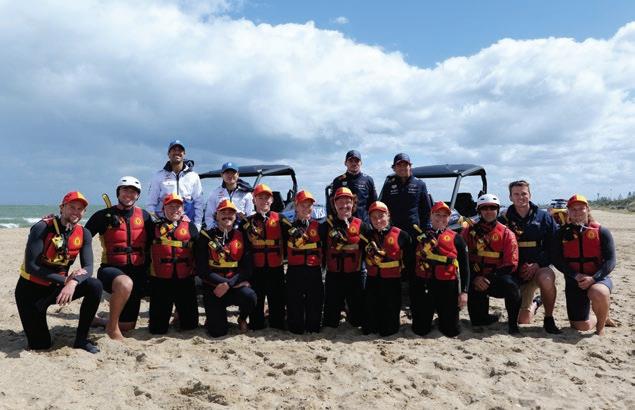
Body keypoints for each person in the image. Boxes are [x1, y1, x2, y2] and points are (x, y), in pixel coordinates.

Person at [15, 192, 102, 353]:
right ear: (62, 208)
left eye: (80, 209)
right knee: (41, 345)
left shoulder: (84, 233)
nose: (76, 212)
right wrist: (65, 281)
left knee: (94, 285)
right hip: (31, 291)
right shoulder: (42, 227)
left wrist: (73, 282)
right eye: (71, 207)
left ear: (84, 212)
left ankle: (81, 340)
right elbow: (31, 266)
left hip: (58, 289)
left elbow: (89, 267)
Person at [85, 176, 153, 340]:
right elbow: (82, 237)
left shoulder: (145, 216)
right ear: (118, 192)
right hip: (111, 270)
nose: (129, 194)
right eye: (125, 190)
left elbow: (154, 244)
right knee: (124, 283)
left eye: (133, 191)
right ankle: (112, 329)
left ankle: (100, 321)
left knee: (128, 326)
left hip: (136, 273)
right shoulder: (103, 216)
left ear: (138, 195)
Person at [499, 180, 561, 334]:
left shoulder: (544, 217)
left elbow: (554, 247)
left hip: (538, 269)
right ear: (510, 197)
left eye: (524, 193)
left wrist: (538, 264)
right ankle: (536, 303)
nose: (520, 197)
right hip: (515, 272)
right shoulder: (503, 219)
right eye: (516, 194)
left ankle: (549, 319)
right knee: (523, 320)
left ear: (530, 195)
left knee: (547, 278)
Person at [552, 194, 616, 336]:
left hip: (598, 279)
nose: (577, 212)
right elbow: (557, 260)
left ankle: (600, 328)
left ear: (588, 209)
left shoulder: (601, 231)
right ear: (568, 212)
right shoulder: (561, 234)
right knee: (581, 326)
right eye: (573, 209)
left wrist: (593, 278)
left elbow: (611, 261)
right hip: (574, 281)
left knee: (598, 292)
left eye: (581, 208)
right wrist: (575, 275)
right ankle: (602, 316)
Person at [462, 194, 521, 334]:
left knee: (513, 287)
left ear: (497, 210)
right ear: (479, 211)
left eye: (492, 208)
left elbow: (511, 264)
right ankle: (483, 318)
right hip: (475, 280)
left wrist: (488, 278)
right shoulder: (468, 232)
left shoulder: (507, 233)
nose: (489, 211)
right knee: (478, 322)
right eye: (484, 208)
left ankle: (513, 324)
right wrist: (475, 277)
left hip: (496, 279)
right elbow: (462, 259)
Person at [196, 199, 256, 337]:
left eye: (231, 213)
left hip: (234, 285)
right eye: (223, 213)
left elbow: (247, 269)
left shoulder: (242, 237)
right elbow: (202, 270)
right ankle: (213, 317)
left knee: (250, 296)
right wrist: (223, 284)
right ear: (216, 215)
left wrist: (229, 284)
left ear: (235, 217)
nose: (227, 216)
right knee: (218, 332)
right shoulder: (205, 237)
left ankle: (242, 318)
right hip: (214, 287)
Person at [411, 201, 470, 337]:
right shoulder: (419, 237)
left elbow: (465, 267)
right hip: (425, 285)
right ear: (431, 215)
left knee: (451, 331)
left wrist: (464, 292)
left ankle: (444, 319)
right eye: (437, 215)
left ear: (449, 218)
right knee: (420, 330)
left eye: (445, 216)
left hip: (448, 286)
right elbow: (410, 264)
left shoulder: (457, 239)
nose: (441, 218)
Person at [148, 193, 199, 334]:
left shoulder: (191, 227)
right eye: (170, 206)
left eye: (178, 206)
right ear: (163, 208)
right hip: (160, 280)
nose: (175, 209)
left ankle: (179, 316)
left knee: (190, 326)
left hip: (185, 280)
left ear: (183, 209)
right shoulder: (153, 227)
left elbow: (198, 252)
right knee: (157, 329)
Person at [241, 183, 287, 330]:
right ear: (254, 200)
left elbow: (290, 238)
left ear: (272, 200)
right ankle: (257, 323)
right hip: (256, 268)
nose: (264, 201)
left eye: (267, 198)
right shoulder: (247, 222)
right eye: (260, 198)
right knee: (257, 300)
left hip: (276, 267)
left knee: (277, 299)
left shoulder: (281, 219)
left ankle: (276, 322)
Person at [362, 201, 411, 336]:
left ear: (388, 215)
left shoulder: (402, 235)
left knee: (389, 329)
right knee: (369, 328)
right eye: (374, 217)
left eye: (381, 216)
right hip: (372, 280)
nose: (378, 220)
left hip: (392, 281)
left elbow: (409, 261)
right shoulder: (366, 235)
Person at [321, 187, 364, 328]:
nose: (344, 205)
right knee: (330, 321)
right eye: (340, 202)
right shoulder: (326, 226)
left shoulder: (362, 226)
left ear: (353, 204)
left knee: (357, 320)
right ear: (334, 204)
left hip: (354, 276)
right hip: (333, 276)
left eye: (348, 202)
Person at [283, 190, 324, 334]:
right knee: (294, 303)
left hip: (314, 270)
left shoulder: (319, 226)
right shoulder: (287, 227)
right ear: (296, 206)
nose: (306, 208)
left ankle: (313, 327)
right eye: (302, 205)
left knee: (315, 302)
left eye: (309, 205)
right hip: (295, 270)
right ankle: (296, 327)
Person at [147, 139, 204, 230]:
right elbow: (151, 204)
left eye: (180, 150)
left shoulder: (193, 176)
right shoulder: (158, 176)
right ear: (168, 154)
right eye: (174, 150)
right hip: (164, 225)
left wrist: (197, 226)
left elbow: (199, 204)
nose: (177, 152)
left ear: (184, 153)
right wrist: (156, 223)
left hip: (187, 226)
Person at [328, 150, 377, 223]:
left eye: (357, 161)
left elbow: (374, 204)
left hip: (363, 224)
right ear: (345, 163)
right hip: (343, 223)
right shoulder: (338, 181)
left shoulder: (368, 180)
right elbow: (331, 204)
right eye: (351, 161)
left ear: (361, 163)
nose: (354, 163)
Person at [203, 162, 254, 229]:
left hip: (240, 230)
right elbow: (209, 215)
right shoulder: (215, 193)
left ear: (238, 174)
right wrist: (212, 229)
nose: (230, 175)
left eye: (233, 173)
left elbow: (250, 215)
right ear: (222, 175)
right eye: (227, 173)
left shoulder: (247, 194)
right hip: (220, 230)